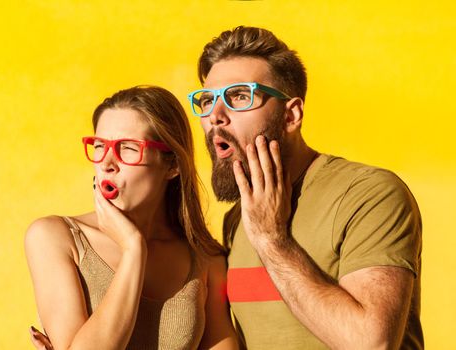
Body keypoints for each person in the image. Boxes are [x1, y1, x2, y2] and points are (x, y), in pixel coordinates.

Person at [186, 26, 423, 349]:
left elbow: (371, 344)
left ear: (291, 115)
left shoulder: (368, 194)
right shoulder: (238, 217)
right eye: (207, 100)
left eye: (239, 96)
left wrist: (273, 240)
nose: (215, 116)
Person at [25, 86, 239, 349]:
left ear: (172, 165)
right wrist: (133, 249)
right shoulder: (54, 237)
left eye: (127, 148)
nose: (107, 163)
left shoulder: (206, 259)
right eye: (100, 146)